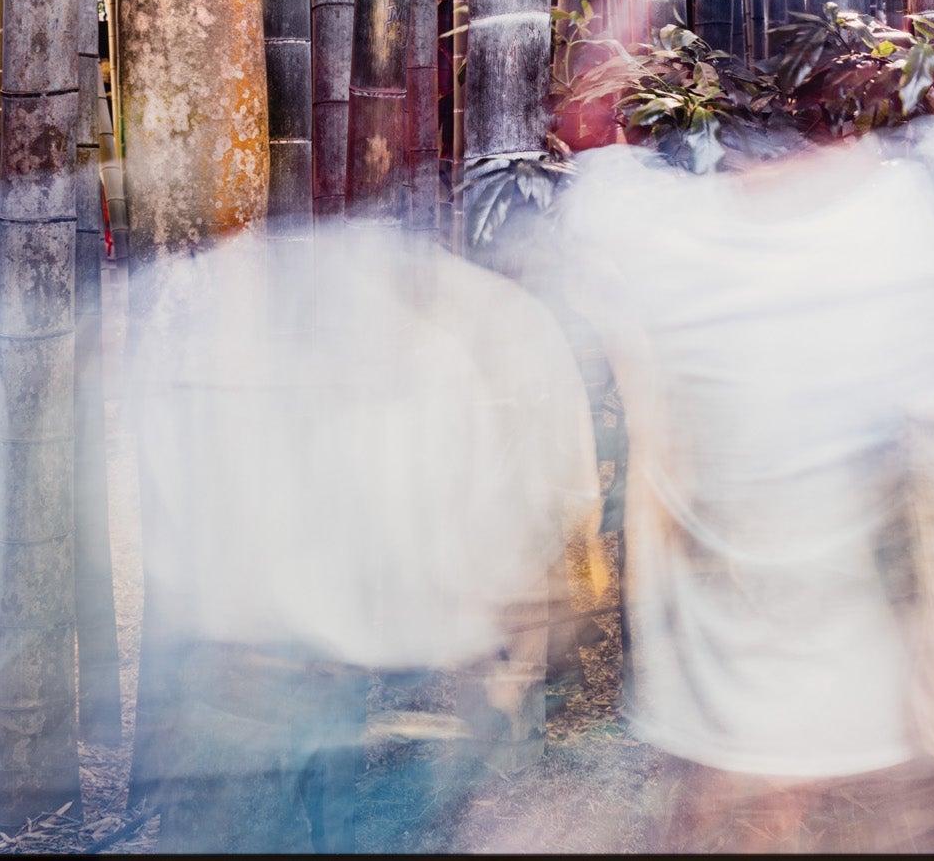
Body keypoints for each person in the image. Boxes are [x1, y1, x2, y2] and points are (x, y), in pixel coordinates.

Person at [546, 110, 934, 851]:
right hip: (913, 696)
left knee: (730, 817)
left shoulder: (659, 237)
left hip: (733, 698)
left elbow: (588, 153)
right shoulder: (929, 213)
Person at [128, 221, 602, 852]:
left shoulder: (442, 343)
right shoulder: (461, 346)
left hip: (297, 658)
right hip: (312, 658)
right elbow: (539, 524)